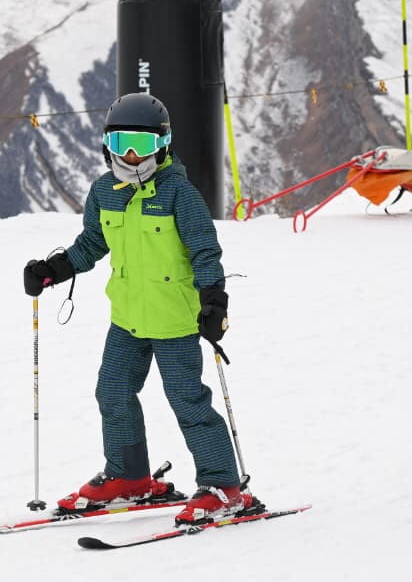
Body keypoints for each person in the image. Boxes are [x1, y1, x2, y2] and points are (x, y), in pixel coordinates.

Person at [21, 92, 254, 526]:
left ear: (163, 144)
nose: (131, 154)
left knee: (187, 400)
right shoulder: (104, 192)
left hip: (175, 321)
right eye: (122, 141)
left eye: (143, 145)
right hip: (126, 319)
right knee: (112, 392)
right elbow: (93, 244)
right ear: (106, 142)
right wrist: (54, 270)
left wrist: (214, 300)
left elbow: (205, 252)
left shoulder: (178, 194)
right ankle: (129, 477)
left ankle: (224, 486)